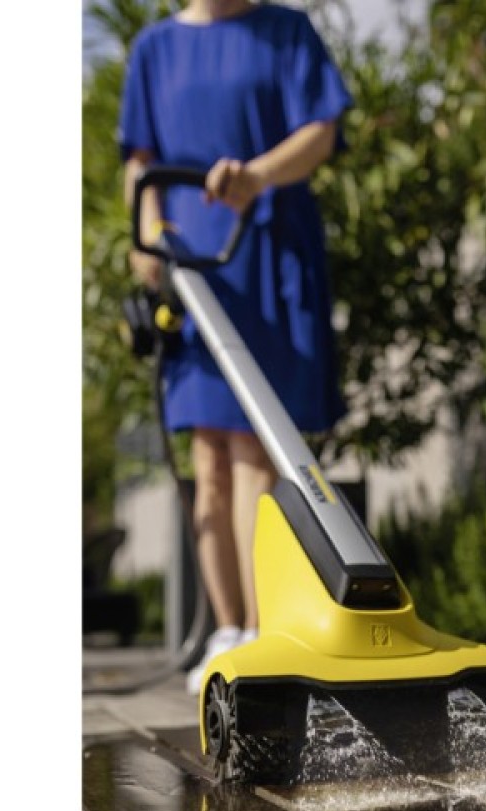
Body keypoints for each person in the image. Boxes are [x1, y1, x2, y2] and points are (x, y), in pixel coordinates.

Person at [118, 0, 352, 694]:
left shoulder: (286, 32)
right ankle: (226, 630)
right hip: (193, 266)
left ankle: (260, 632)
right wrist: (147, 235)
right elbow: (140, 160)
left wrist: (256, 175)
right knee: (209, 458)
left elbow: (321, 133)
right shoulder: (154, 49)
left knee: (253, 447)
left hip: (265, 251)